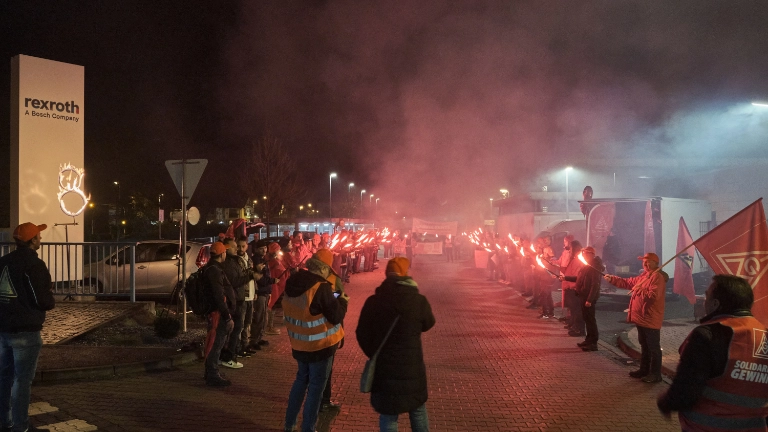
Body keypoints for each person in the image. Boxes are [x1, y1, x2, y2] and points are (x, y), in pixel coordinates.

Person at [657, 275, 768, 430]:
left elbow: (686, 390)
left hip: (706, 426)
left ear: (715, 304)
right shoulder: (764, 334)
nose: (704, 300)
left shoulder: (707, 335)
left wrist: (666, 402)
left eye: (706, 296)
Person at [356, 257, 435, 432]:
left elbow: (361, 332)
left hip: (384, 368)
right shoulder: (418, 300)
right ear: (405, 274)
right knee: (418, 411)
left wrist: (374, 352)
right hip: (411, 367)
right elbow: (429, 323)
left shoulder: (374, 301)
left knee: (389, 415)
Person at [283, 251, 348, 432]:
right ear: (323, 268)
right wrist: (343, 302)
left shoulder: (292, 282)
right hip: (320, 346)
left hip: (299, 344)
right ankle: (308, 428)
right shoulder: (321, 287)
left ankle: (290, 424)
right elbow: (336, 316)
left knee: (300, 381)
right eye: (329, 269)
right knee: (315, 390)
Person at [0, 223, 55, 432]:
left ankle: (4, 422)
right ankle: (20, 426)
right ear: (32, 240)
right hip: (26, 330)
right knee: (21, 381)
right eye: (38, 236)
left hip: (3, 329)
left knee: (4, 377)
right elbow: (43, 301)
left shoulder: (3, 262)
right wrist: (50, 297)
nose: (40, 239)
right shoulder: (34, 264)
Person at [604, 252, 668, 383]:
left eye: (648, 261)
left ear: (655, 263)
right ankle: (644, 370)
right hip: (641, 318)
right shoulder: (645, 276)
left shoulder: (657, 277)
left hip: (650, 318)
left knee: (653, 348)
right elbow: (628, 282)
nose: (645, 264)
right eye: (643, 261)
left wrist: (640, 289)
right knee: (644, 346)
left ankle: (655, 374)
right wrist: (613, 279)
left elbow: (653, 296)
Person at [201, 242, 237, 386]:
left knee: (216, 341)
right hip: (217, 313)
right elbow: (218, 295)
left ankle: (211, 371)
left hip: (216, 312)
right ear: (222, 254)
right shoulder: (214, 270)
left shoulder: (211, 268)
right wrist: (227, 315)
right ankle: (212, 374)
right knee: (216, 342)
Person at [560, 246, 603, 351]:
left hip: (588, 298)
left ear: (591, 254)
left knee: (590, 320)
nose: (583, 255)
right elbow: (579, 278)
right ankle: (588, 340)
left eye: (585, 254)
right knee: (587, 320)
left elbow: (595, 285)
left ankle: (593, 343)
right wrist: (565, 278)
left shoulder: (594, 267)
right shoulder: (587, 265)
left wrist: (589, 299)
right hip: (583, 295)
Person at [248, 243, 276, 351]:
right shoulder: (256, 260)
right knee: (258, 317)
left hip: (265, 291)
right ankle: (254, 340)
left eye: (265, 247)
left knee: (263, 316)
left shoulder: (263, 259)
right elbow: (260, 278)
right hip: (260, 292)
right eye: (261, 248)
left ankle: (259, 337)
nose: (264, 250)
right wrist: (271, 281)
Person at [561, 240, 585, 336]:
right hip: (570, 287)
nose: (569, 250)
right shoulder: (574, 259)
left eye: (570, 248)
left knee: (577, 310)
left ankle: (579, 328)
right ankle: (574, 325)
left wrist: (569, 283)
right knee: (573, 309)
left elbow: (576, 276)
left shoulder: (578, 260)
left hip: (574, 288)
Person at [266, 242, 288, 335]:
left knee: (273, 307)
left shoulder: (275, 261)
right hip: (275, 287)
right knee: (272, 307)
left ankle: (270, 326)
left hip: (277, 287)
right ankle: (269, 327)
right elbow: (279, 274)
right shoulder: (274, 262)